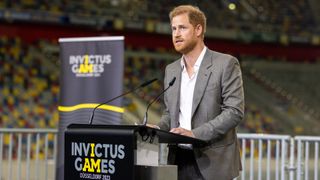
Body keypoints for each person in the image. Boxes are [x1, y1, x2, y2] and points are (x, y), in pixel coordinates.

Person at [156, 5, 244, 180]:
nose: (176, 34)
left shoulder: (226, 64)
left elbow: (234, 111)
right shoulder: (171, 70)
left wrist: (195, 134)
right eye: (173, 29)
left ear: (198, 29)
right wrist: (157, 128)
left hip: (213, 163)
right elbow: (171, 114)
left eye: (182, 28)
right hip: (177, 161)